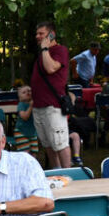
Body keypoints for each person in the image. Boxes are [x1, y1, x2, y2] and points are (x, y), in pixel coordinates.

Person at [30, 21, 71, 169]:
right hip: (39, 106)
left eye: (41, 33)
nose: (37, 36)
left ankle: (70, 173)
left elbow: (51, 68)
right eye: (37, 33)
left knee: (60, 143)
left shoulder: (60, 50)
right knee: (48, 144)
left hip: (53, 106)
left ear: (52, 34)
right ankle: (56, 173)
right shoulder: (42, 53)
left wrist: (45, 48)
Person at [12, 85, 40, 155]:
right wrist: (31, 106)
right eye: (24, 92)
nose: (27, 93)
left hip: (32, 132)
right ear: (20, 97)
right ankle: (24, 165)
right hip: (21, 132)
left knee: (34, 152)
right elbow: (24, 117)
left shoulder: (35, 104)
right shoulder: (21, 104)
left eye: (29, 91)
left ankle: (33, 165)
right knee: (25, 153)